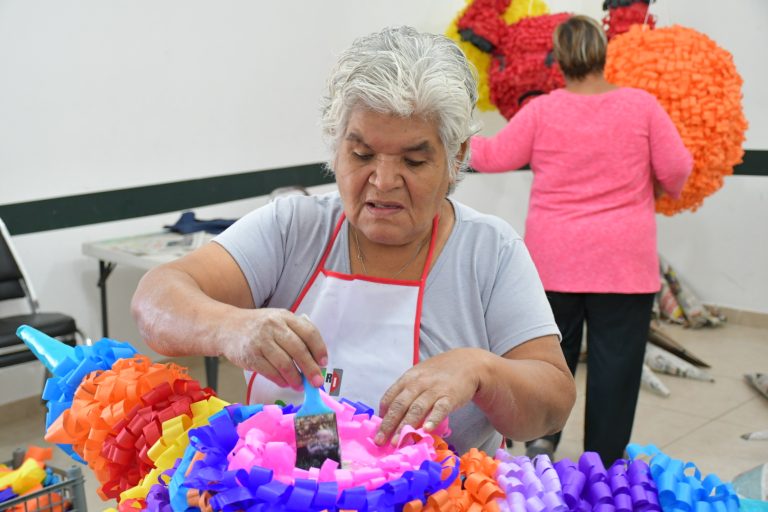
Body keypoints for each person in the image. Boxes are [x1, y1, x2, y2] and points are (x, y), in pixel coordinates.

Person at [131, 26, 576, 455]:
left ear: (456, 156)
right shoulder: (294, 229)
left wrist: (483, 371)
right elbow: (155, 299)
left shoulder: (488, 252)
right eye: (361, 155)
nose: (382, 182)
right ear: (336, 145)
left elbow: (553, 404)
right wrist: (230, 327)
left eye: (414, 161)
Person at [469, 15, 693, 465]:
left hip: (554, 263)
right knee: (616, 367)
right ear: (604, 53)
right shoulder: (641, 106)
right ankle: (603, 464)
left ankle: (541, 440)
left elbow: (493, 156)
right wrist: (658, 187)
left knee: (546, 358)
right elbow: (677, 169)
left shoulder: (543, 110)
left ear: (559, 59)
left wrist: (442, 135)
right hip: (624, 264)